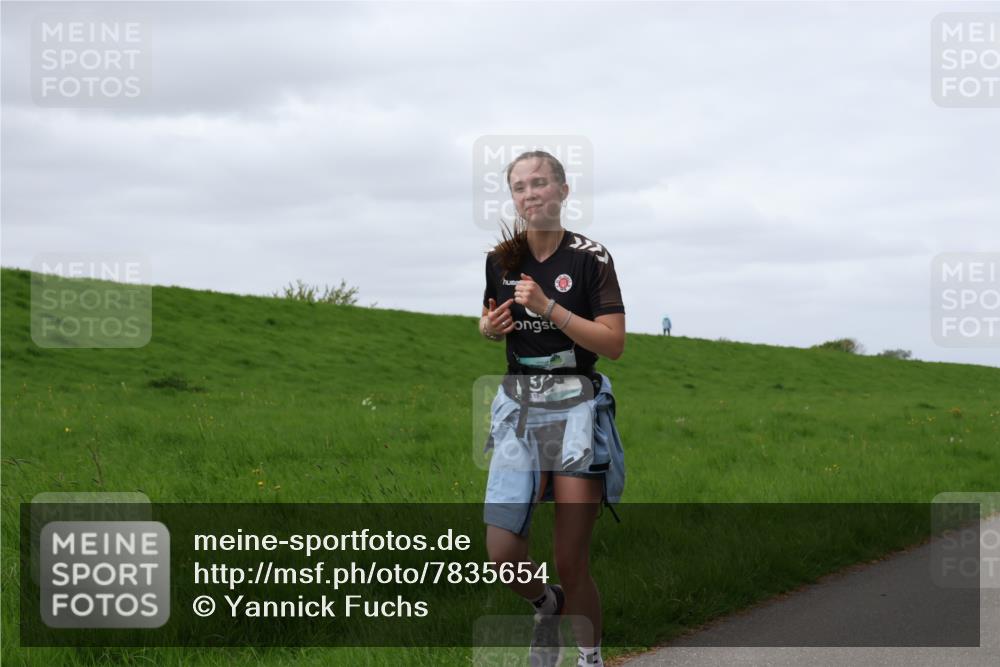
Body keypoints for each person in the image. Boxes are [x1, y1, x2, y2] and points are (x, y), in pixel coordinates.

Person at [479, 150, 626, 667]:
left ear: (563, 190)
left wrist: (549, 308)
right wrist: (488, 327)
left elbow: (613, 344)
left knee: (570, 559)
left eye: (540, 183)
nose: (530, 193)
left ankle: (590, 657)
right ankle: (547, 604)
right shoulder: (501, 260)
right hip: (519, 411)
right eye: (520, 187)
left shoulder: (591, 258)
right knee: (501, 555)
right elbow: (488, 316)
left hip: (576, 412)